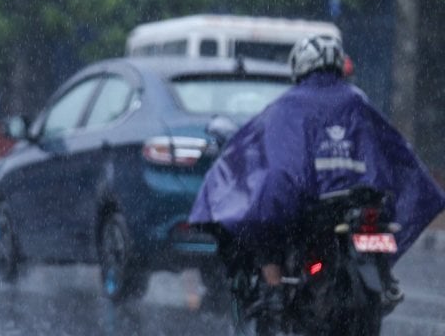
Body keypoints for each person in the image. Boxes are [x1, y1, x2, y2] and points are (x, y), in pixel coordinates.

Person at [189, 33, 445, 316]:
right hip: (362, 195)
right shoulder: (357, 99)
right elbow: (394, 149)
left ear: (301, 65)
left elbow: (263, 150)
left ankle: (274, 288)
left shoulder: (290, 104)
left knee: (262, 222)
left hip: (313, 200)